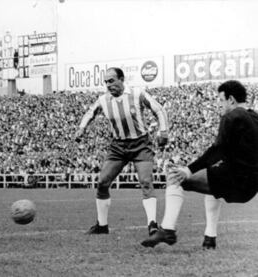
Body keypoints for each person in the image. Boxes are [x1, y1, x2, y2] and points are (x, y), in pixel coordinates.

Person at [141, 80, 258, 249]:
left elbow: (217, 149)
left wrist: (189, 170)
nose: (219, 105)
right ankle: (209, 239)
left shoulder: (232, 115)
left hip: (235, 180)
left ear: (231, 99)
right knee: (212, 180)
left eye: (221, 100)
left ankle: (167, 229)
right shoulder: (255, 117)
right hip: (251, 186)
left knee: (175, 177)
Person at [75, 67, 169, 235]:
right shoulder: (103, 100)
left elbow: (159, 110)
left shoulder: (137, 94)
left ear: (121, 79)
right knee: (102, 182)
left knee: (146, 181)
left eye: (111, 81)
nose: (108, 85)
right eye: (106, 82)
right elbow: (90, 113)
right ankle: (102, 226)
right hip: (118, 146)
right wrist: (81, 128)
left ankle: (152, 225)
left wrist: (163, 131)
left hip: (140, 144)